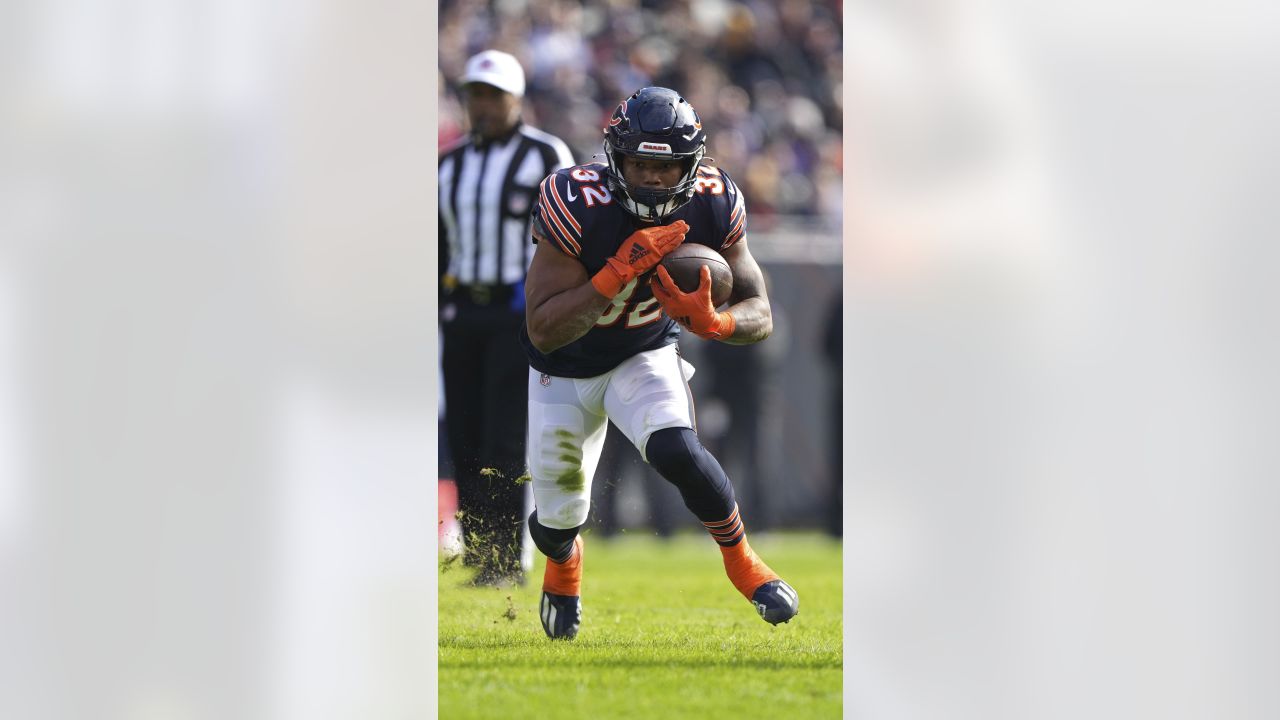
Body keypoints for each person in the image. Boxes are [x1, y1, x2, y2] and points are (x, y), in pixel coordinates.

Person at [520, 86, 799, 639]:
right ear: (616, 159)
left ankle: (743, 562)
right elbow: (543, 328)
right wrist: (613, 274)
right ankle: (564, 561)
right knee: (557, 520)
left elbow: (760, 311)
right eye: (639, 164)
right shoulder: (574, 200)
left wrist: (716, 324)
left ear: (690, 166)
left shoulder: (716, 200)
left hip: (642, 350)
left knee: (676, 445)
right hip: (563, 366)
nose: (651, 178)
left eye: (665, 167)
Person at [439, 50, 575, 585]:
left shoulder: (545, 154)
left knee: (504, 434)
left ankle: (507, 557)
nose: (484, 105)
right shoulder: (448, 164)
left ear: (517, 99)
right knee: (467, 434)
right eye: (476, 94)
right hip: (460, 311)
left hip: (517, 312)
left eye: (494, 95)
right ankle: (481, 555)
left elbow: (571, 230)